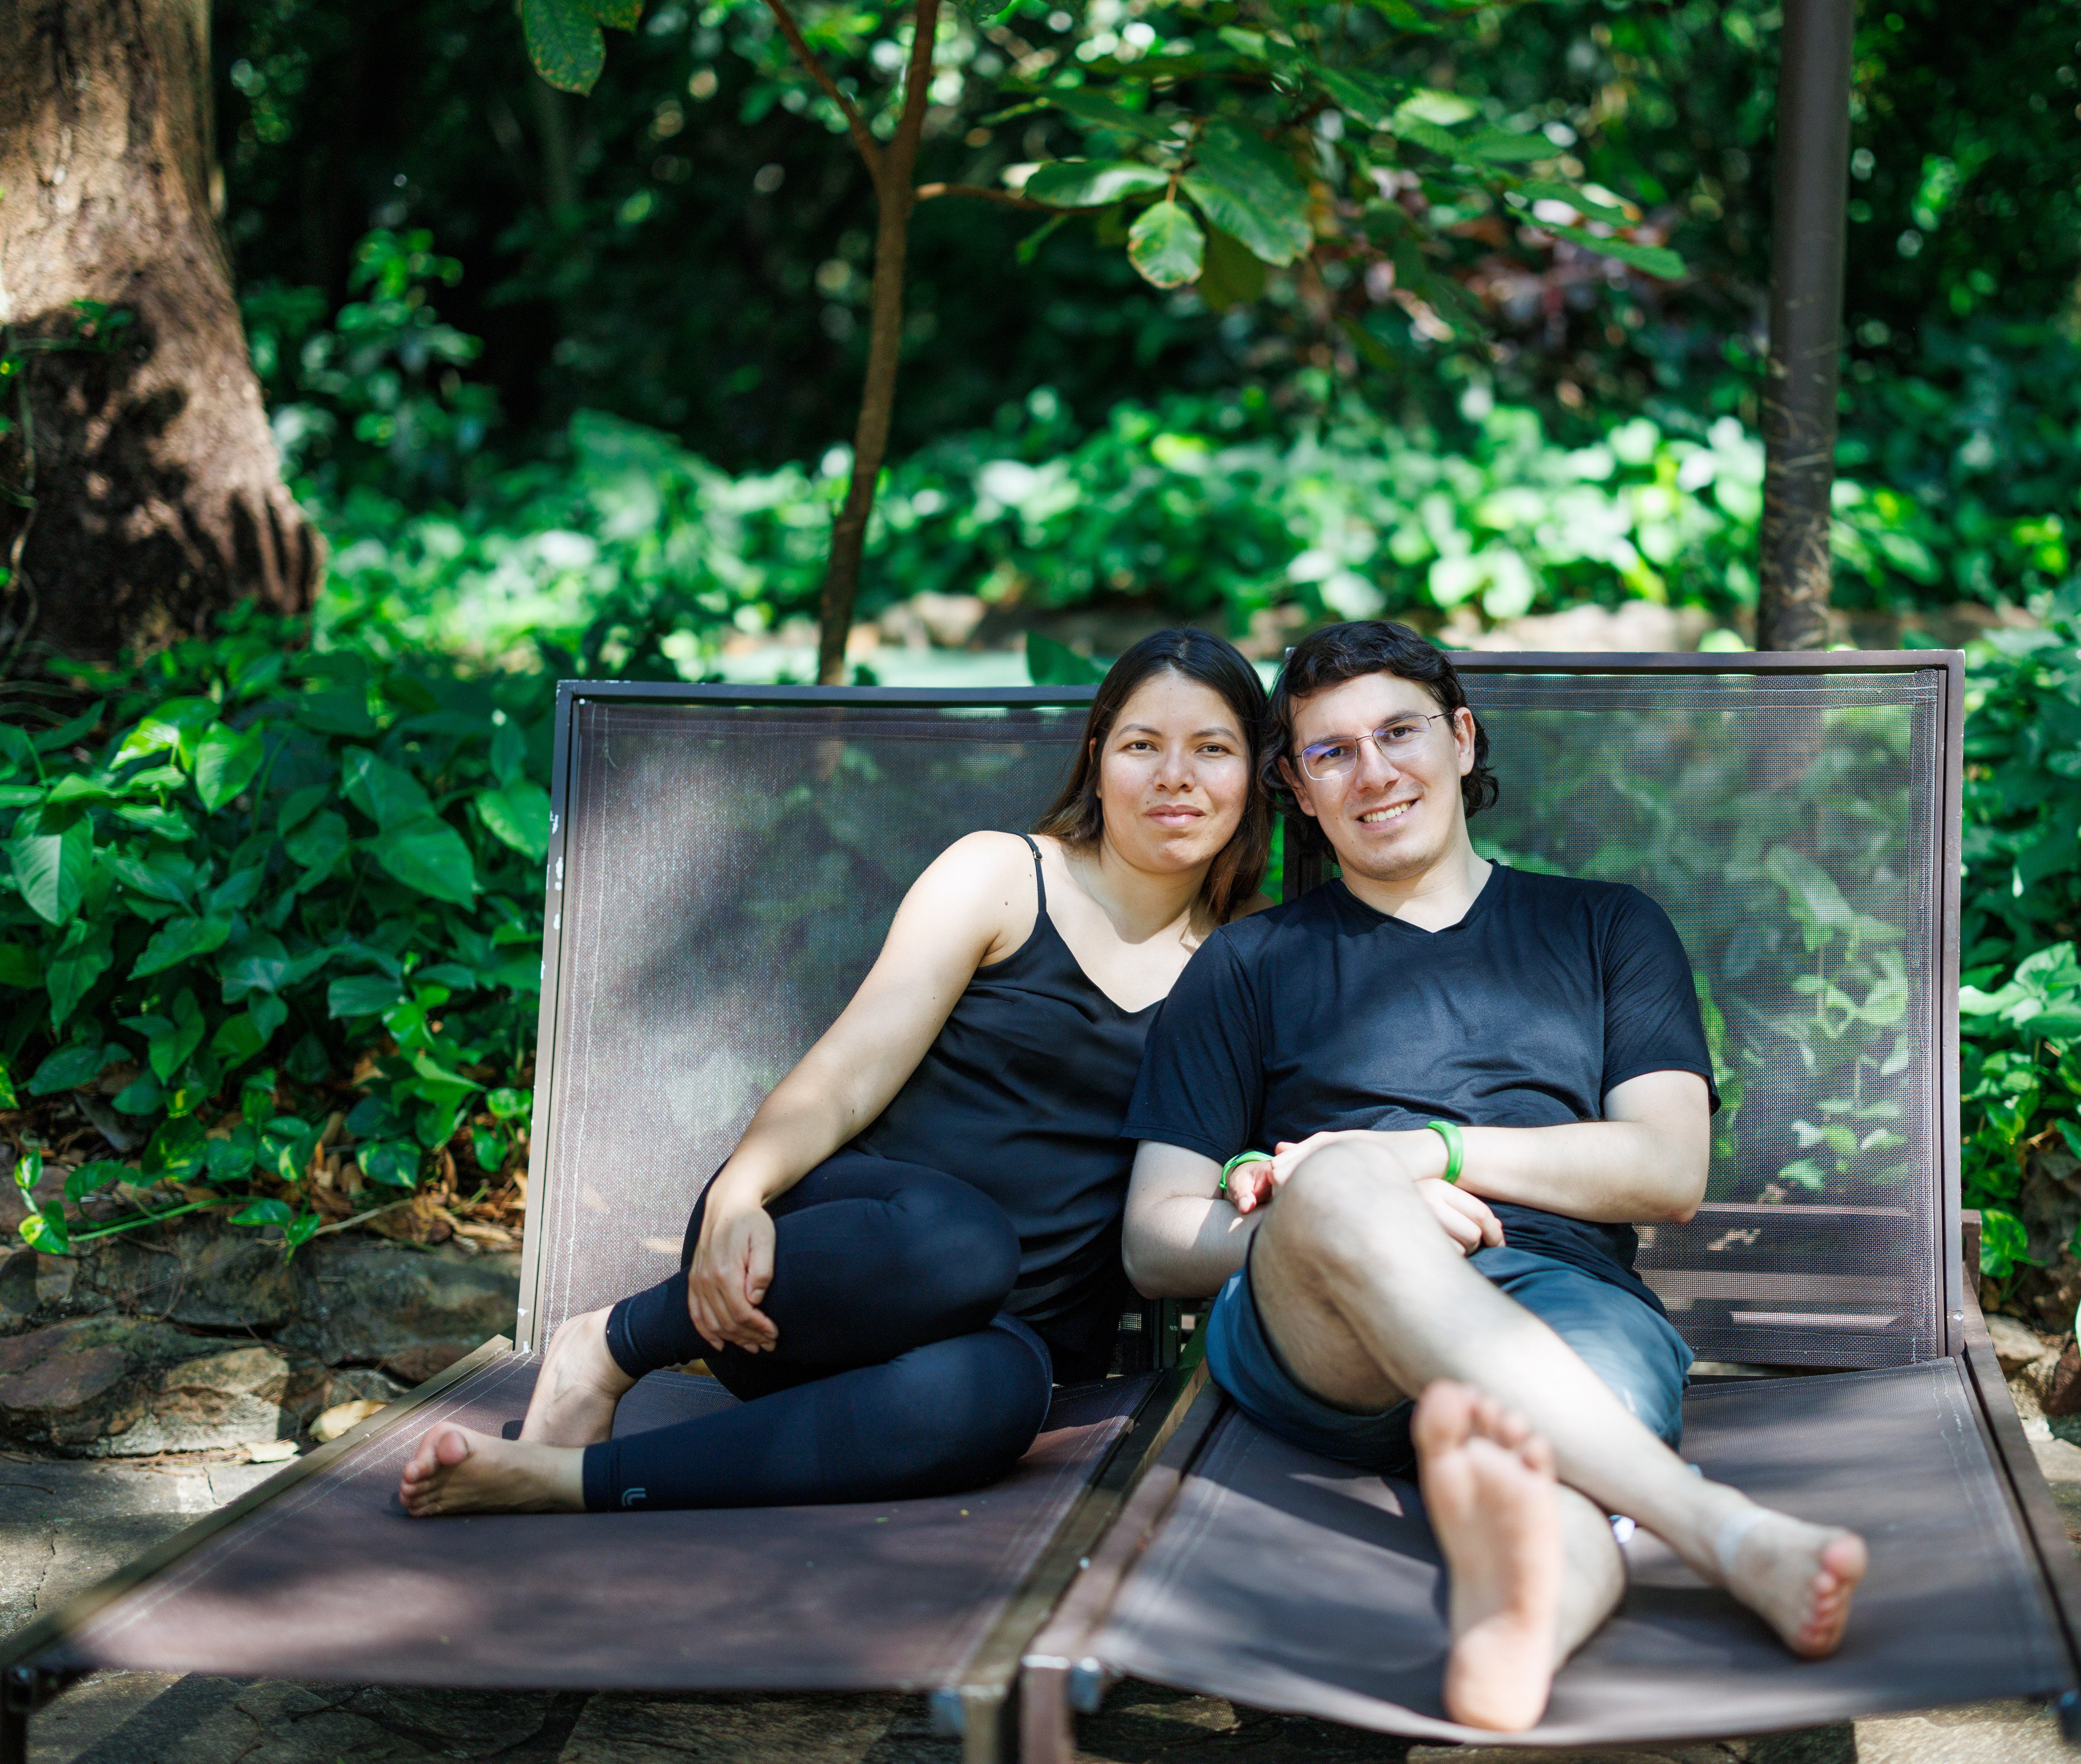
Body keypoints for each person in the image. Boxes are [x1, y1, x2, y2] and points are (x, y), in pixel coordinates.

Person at [1120, 619, 1867, 1733]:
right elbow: (1152, 1234)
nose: (1374, 772)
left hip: (1564, 1295)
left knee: (1548, 1466)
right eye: (1331, 753)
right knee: (1341, 1184)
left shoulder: (1608, 926)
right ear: (1299, 789)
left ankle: (1525, 1615)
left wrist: (1435, 1150)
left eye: (1401, 731)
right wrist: (1358, 1206)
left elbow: (1669, 1169)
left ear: (1463, 739)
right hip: (1321, 1331)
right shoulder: (1250, 962)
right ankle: (1717, 1530)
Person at [399, 628, 1272, 1517]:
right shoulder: (1004, 876)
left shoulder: (1245, 968)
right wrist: (739, 1194)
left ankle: (562, 1480)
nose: (1175, 775)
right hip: (806, 1270)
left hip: (973, 1348)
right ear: (1096, 759)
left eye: (1212, 748)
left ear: (1254, 772)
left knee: (999, 1397)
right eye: (1141, 745)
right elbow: (847, 1073)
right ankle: (608, 1344)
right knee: (965, 1240)